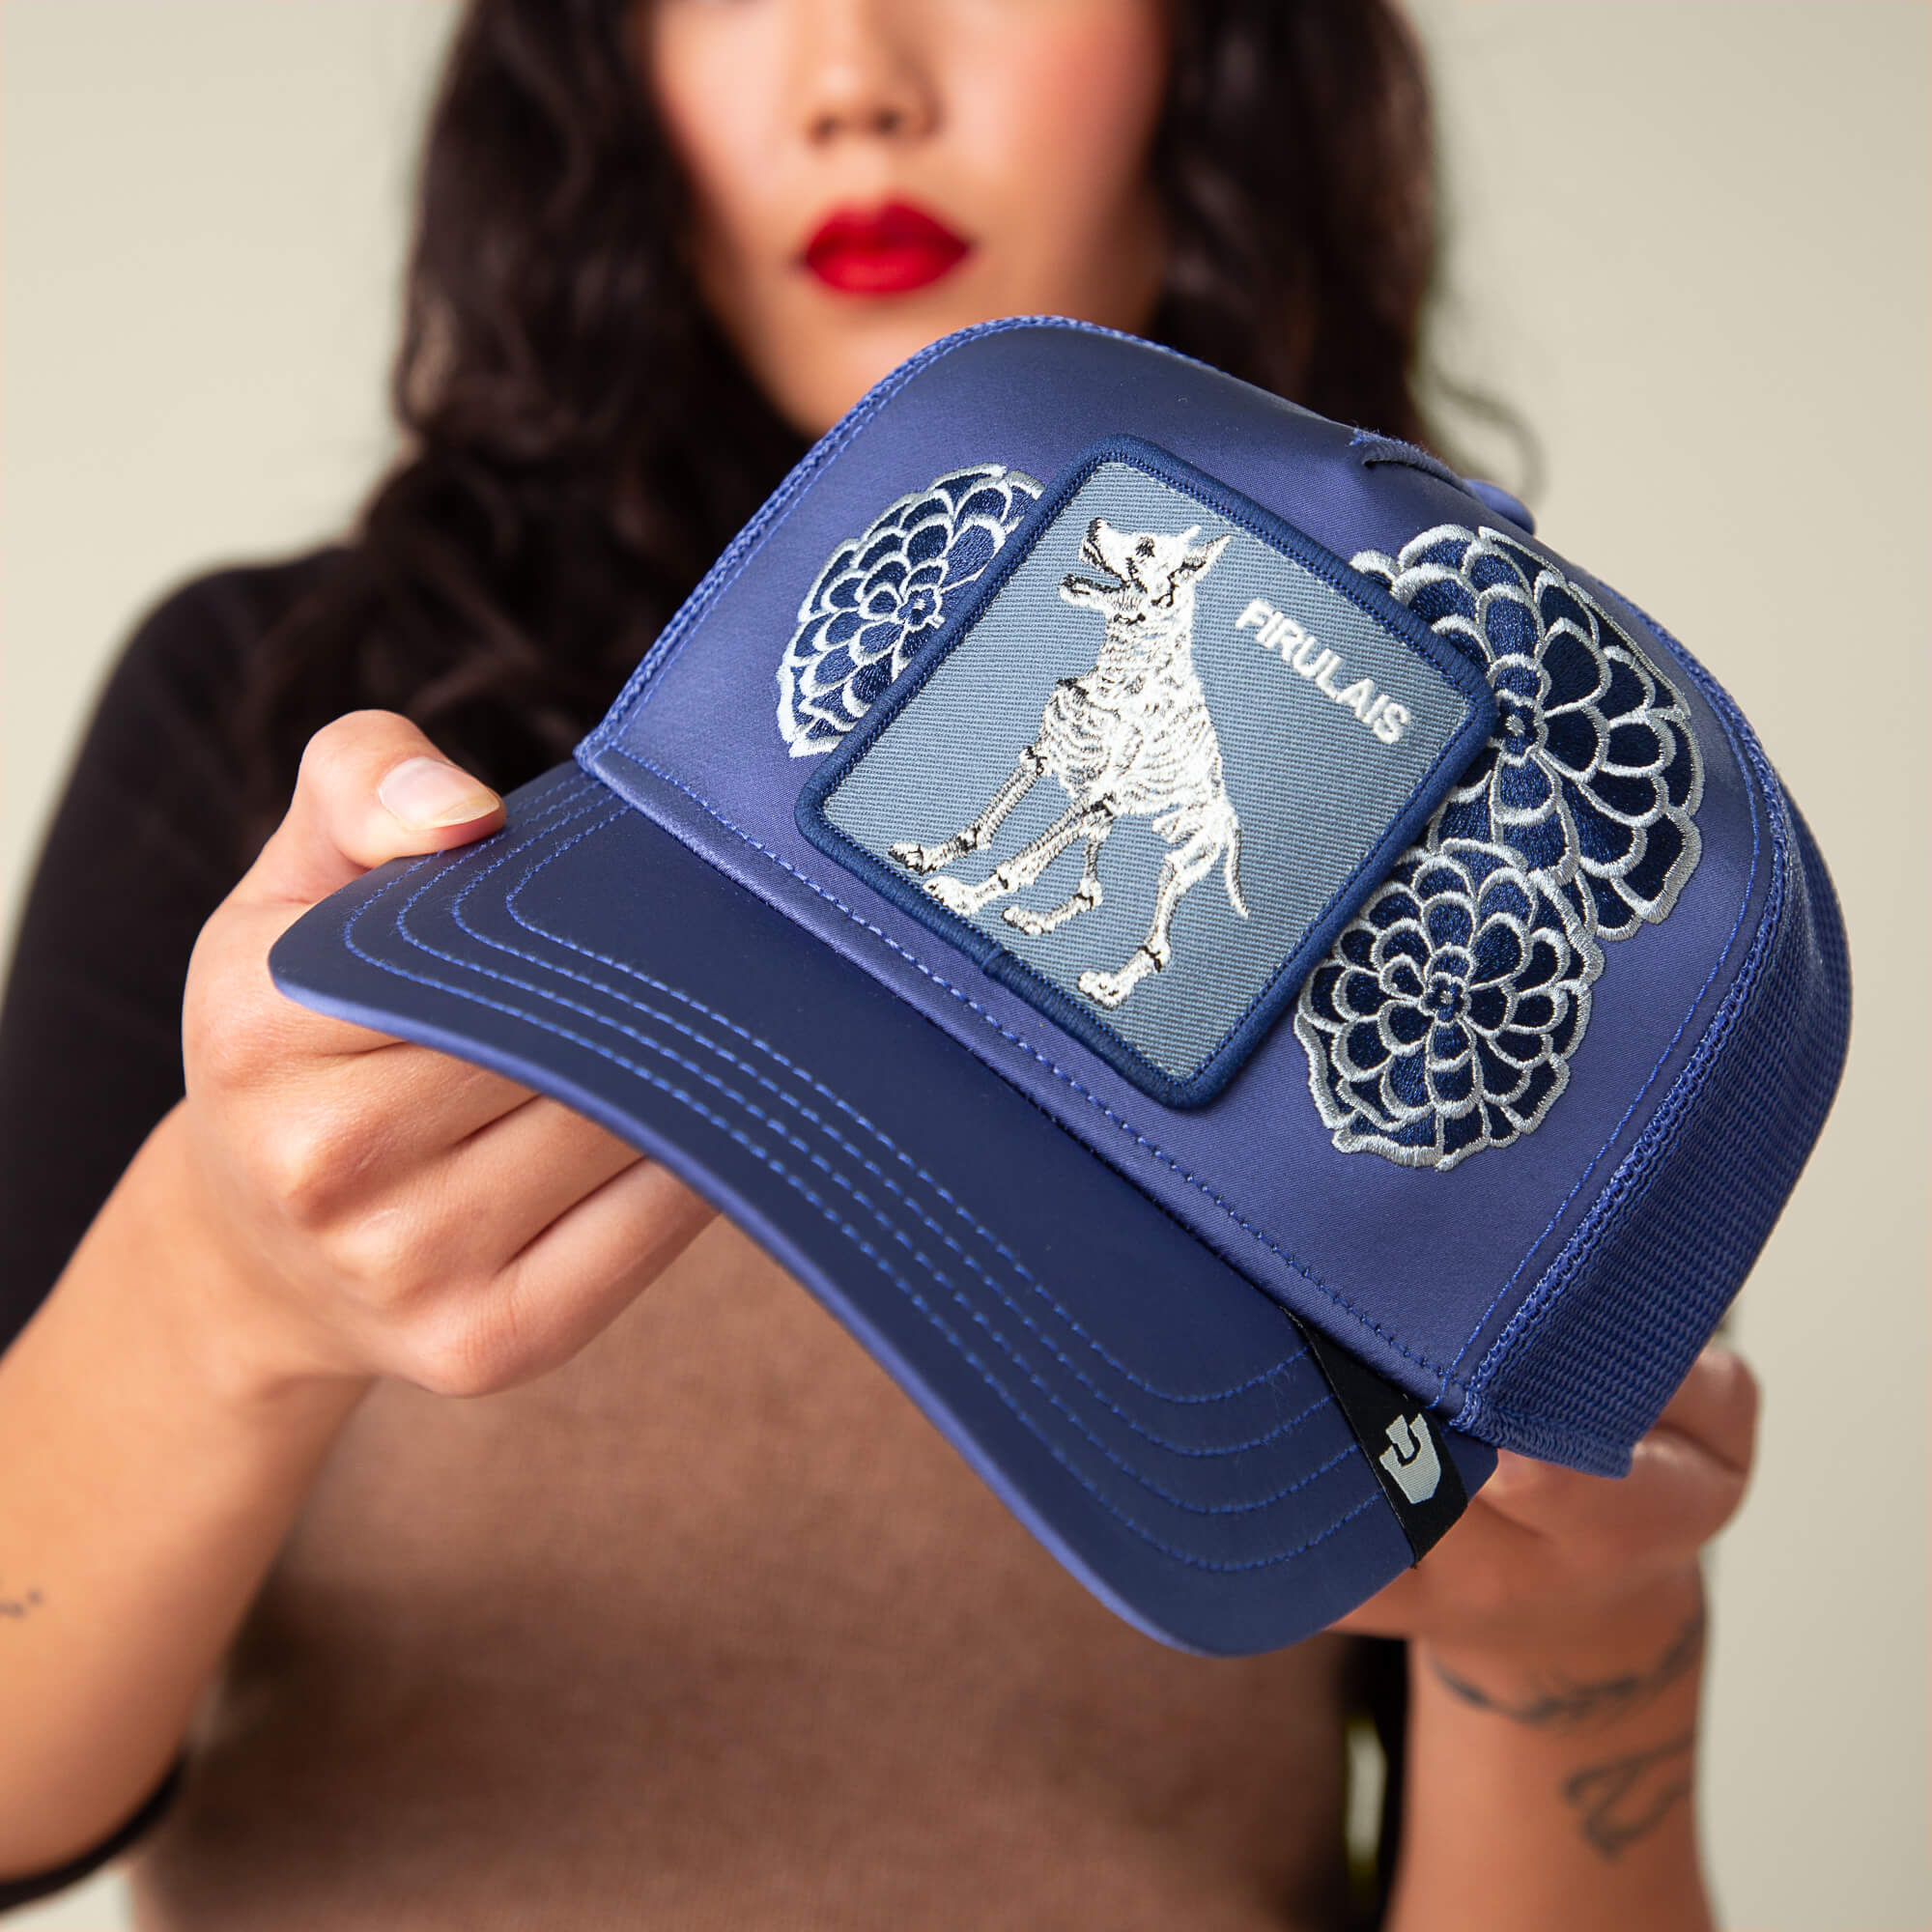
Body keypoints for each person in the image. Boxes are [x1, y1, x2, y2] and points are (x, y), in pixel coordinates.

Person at [0, 2, 1757, 1925]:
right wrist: (220, 1289)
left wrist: (1586, 1632)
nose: (855, 76)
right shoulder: (278, 730)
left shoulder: (1478, 903)